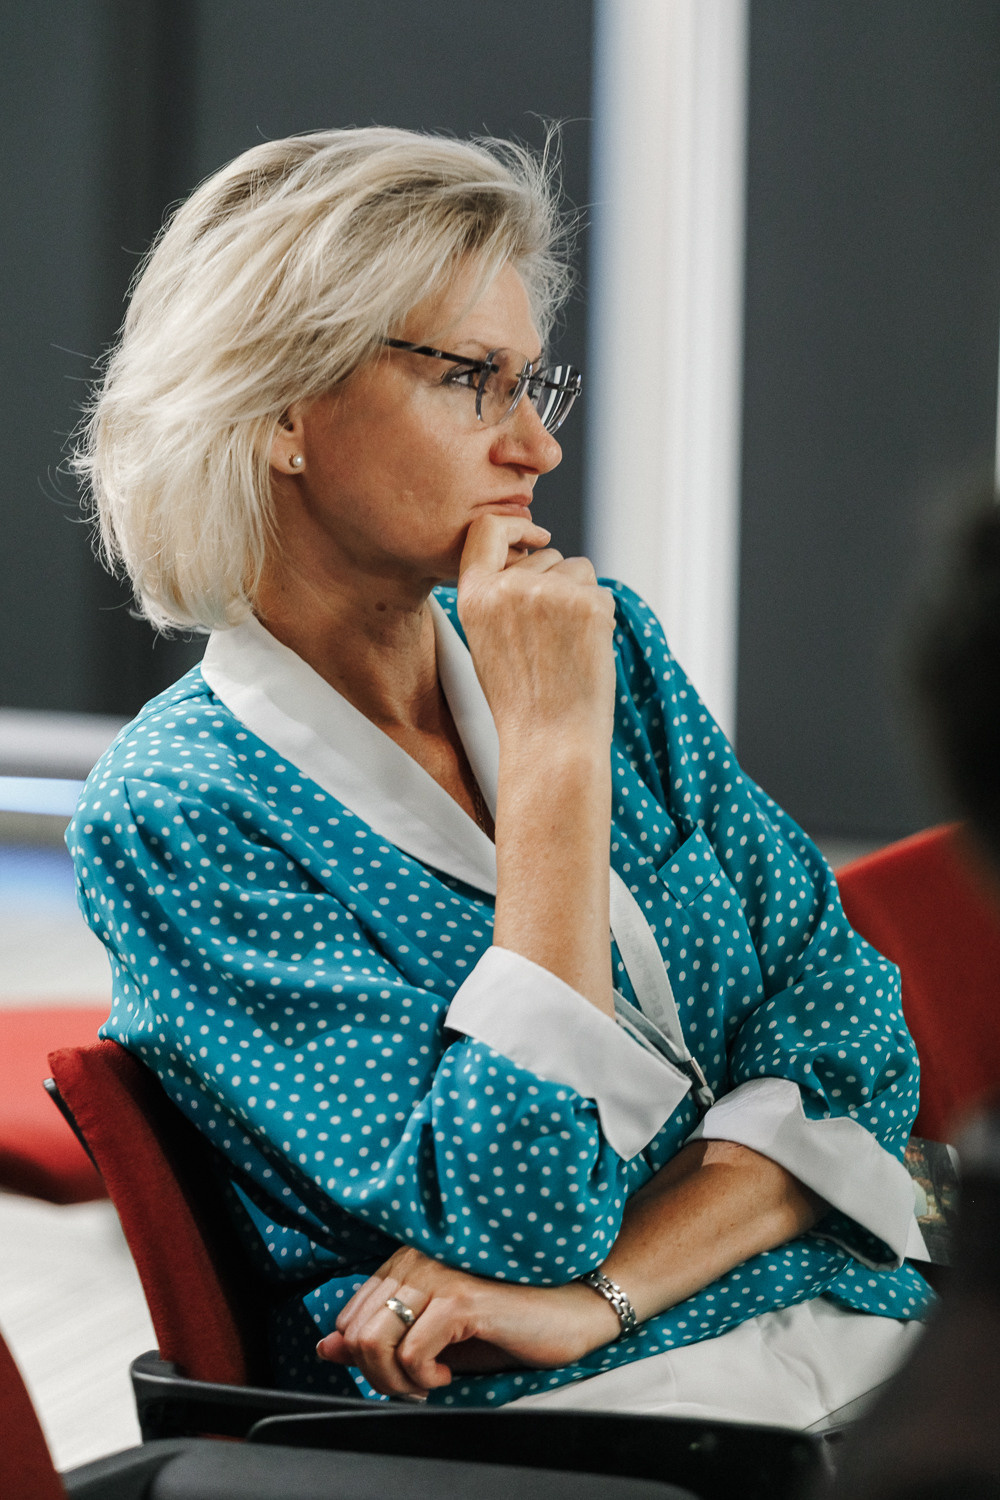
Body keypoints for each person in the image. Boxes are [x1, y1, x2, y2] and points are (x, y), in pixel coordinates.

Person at [67, 126, 932, 1422]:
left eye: (535, 384)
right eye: (475, 378)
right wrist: (550, 774)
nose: (536, 447)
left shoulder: (611, 643)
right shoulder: (181, 813)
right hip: (597, 1426)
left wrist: (603, 1290)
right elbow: (510, 1224)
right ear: (280, 408)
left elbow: (859, 1050)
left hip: (842, 1320)